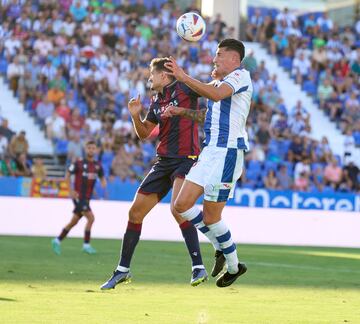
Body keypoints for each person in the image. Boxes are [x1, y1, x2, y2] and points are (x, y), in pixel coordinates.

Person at [100, 58, 207, 290]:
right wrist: (135, 115)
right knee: (135, 212)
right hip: (164, 161)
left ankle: (198, 266)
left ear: (164, 76)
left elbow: (206, 115)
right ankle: (122, 271)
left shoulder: (185, 88)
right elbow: (144, 133)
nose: (149, 78)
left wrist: (182, 110)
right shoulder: (156, 99)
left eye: (152, 74)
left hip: (187, 158)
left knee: (178, 208)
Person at [163, 39, 253, 287]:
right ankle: (229, 259)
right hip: (211, 152)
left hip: (227, 152)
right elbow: (208, 115)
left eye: (220, 55)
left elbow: (215, 94)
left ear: (234, 60)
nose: (215, 59)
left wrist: (182, 76)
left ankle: (230, 261)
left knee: (208, 214)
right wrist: (182, 112)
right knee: (184, 206)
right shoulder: (219, 83)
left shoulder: (240, 77)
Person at [51, 140, 106, 255]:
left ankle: (57, 240)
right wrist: (70, 190)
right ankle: (86, 245)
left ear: (96, 150)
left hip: (87, 198)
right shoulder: (78, 163)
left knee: (73, 222)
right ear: (85, 150)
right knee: (91, 218)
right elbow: (67, 175)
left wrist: (102, 186)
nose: (91, 150)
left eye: (93, 148)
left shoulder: (97, 165)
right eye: (89, 148)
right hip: (79, 197)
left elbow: (101, 179)